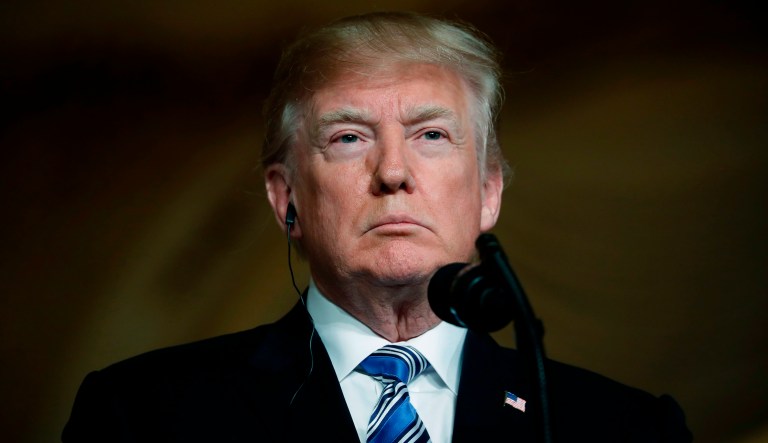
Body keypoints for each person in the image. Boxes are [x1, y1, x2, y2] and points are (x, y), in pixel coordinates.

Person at [62, 12, 692, 442]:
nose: (393, 171)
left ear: (488, 192)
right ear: (287, 199)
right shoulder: (140, 414)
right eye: (348, 137)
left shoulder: (626, 428)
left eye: (431, 134)